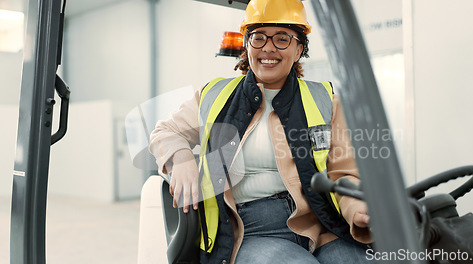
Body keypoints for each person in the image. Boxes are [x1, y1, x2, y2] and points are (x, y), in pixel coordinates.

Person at [149, 0, 373, 263]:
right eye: (258, 37)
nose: (268, 47)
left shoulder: (326, 101)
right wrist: (182, 159)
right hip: (248, 231)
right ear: (247, 45)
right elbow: (165, 132)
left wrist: (358, 210)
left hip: (321, 223)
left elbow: (344, 174)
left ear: (299, 48)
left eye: (282, 38)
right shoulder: (213, 96)